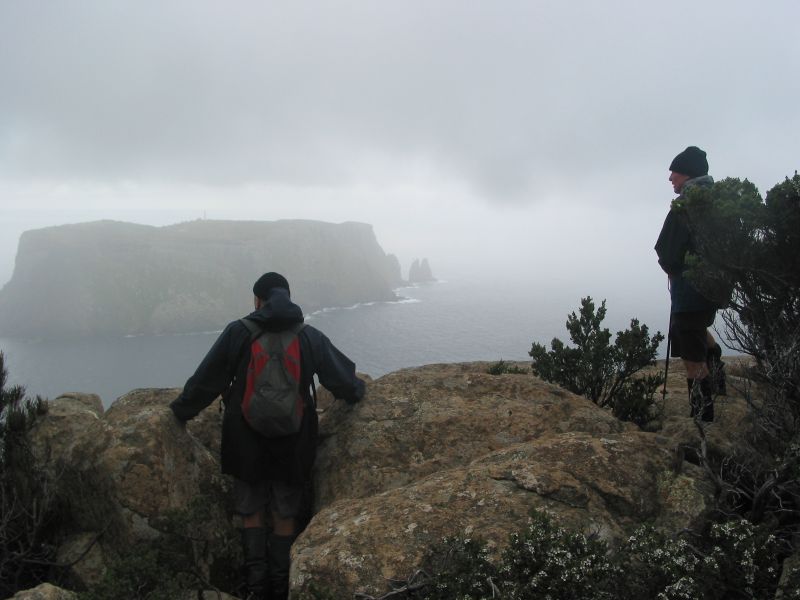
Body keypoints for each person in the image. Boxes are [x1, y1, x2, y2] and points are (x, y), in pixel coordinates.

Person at [170, 272, 365, 600]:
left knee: (251, 511)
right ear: (287, 298)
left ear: (258, 300)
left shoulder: (238, 333)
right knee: (285, 514)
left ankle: (256, 590)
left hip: (244, 439)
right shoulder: (308, 336)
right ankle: (280, 588)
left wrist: (180, 412)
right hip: (293, 442)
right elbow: (343, 381)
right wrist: (358, 391)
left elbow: (207, 381)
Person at [655, 146, 726, 422]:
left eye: (676, 172)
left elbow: (668, 249)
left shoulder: (686, 205)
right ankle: (718, 371)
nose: (671, 177)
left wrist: (670, 269)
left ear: (689, 174)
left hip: (689, 288)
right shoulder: (716, 200)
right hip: (714, 287)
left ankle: (702, 416)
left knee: (691, 353)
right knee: (697, 328)